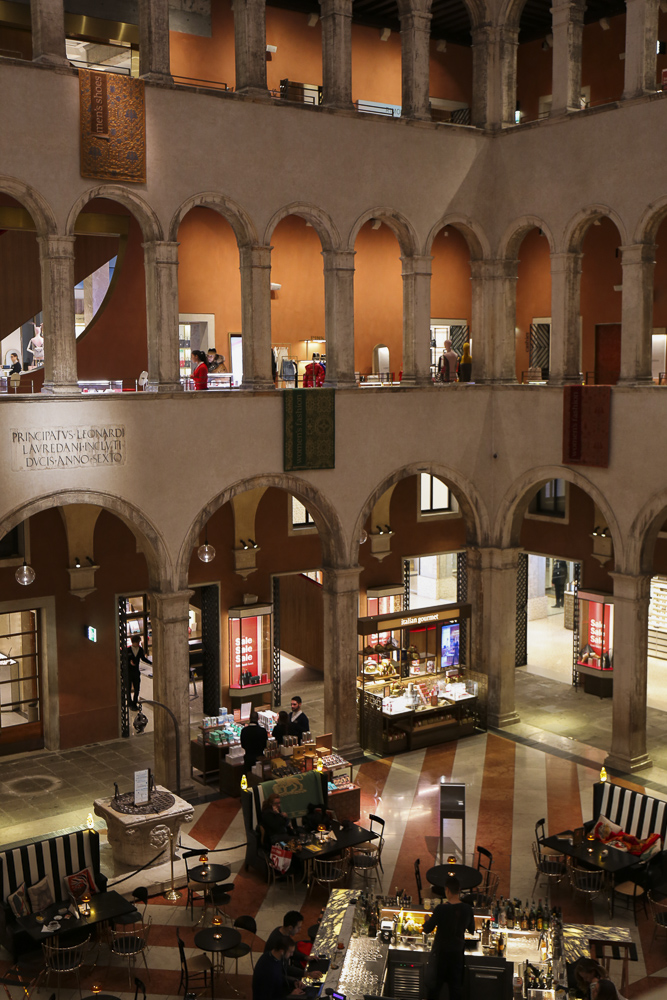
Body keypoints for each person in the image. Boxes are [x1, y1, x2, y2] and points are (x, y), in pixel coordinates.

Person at [423, 876, 475, 1000]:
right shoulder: (467, 909)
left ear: (447, 890)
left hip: (440, 957)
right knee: (455, 992)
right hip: (457, 957)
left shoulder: (441, 909)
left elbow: (427, 929)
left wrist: (427, 920)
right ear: (459, 890)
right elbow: (472, 930)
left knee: (434, 991)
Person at [252, 932, 303, 1000]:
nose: (291, 955)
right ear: (282, 951)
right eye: (290, 952)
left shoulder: (271, 956)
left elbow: (278, 977)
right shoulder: (269, 970)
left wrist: (294, 982)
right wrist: (291, 995)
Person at [127, 638, 151, 710]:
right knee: (128, 689)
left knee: (137, 688)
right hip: (128, 672)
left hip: (136, 672)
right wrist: (129, 662)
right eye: (137, 642)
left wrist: (151, 663)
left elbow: (143, 658)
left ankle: (134, 703)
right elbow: (124, 659)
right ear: (133, 642)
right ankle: (130, 703)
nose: (138, 643)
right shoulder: (128, 650)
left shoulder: (140, 649)